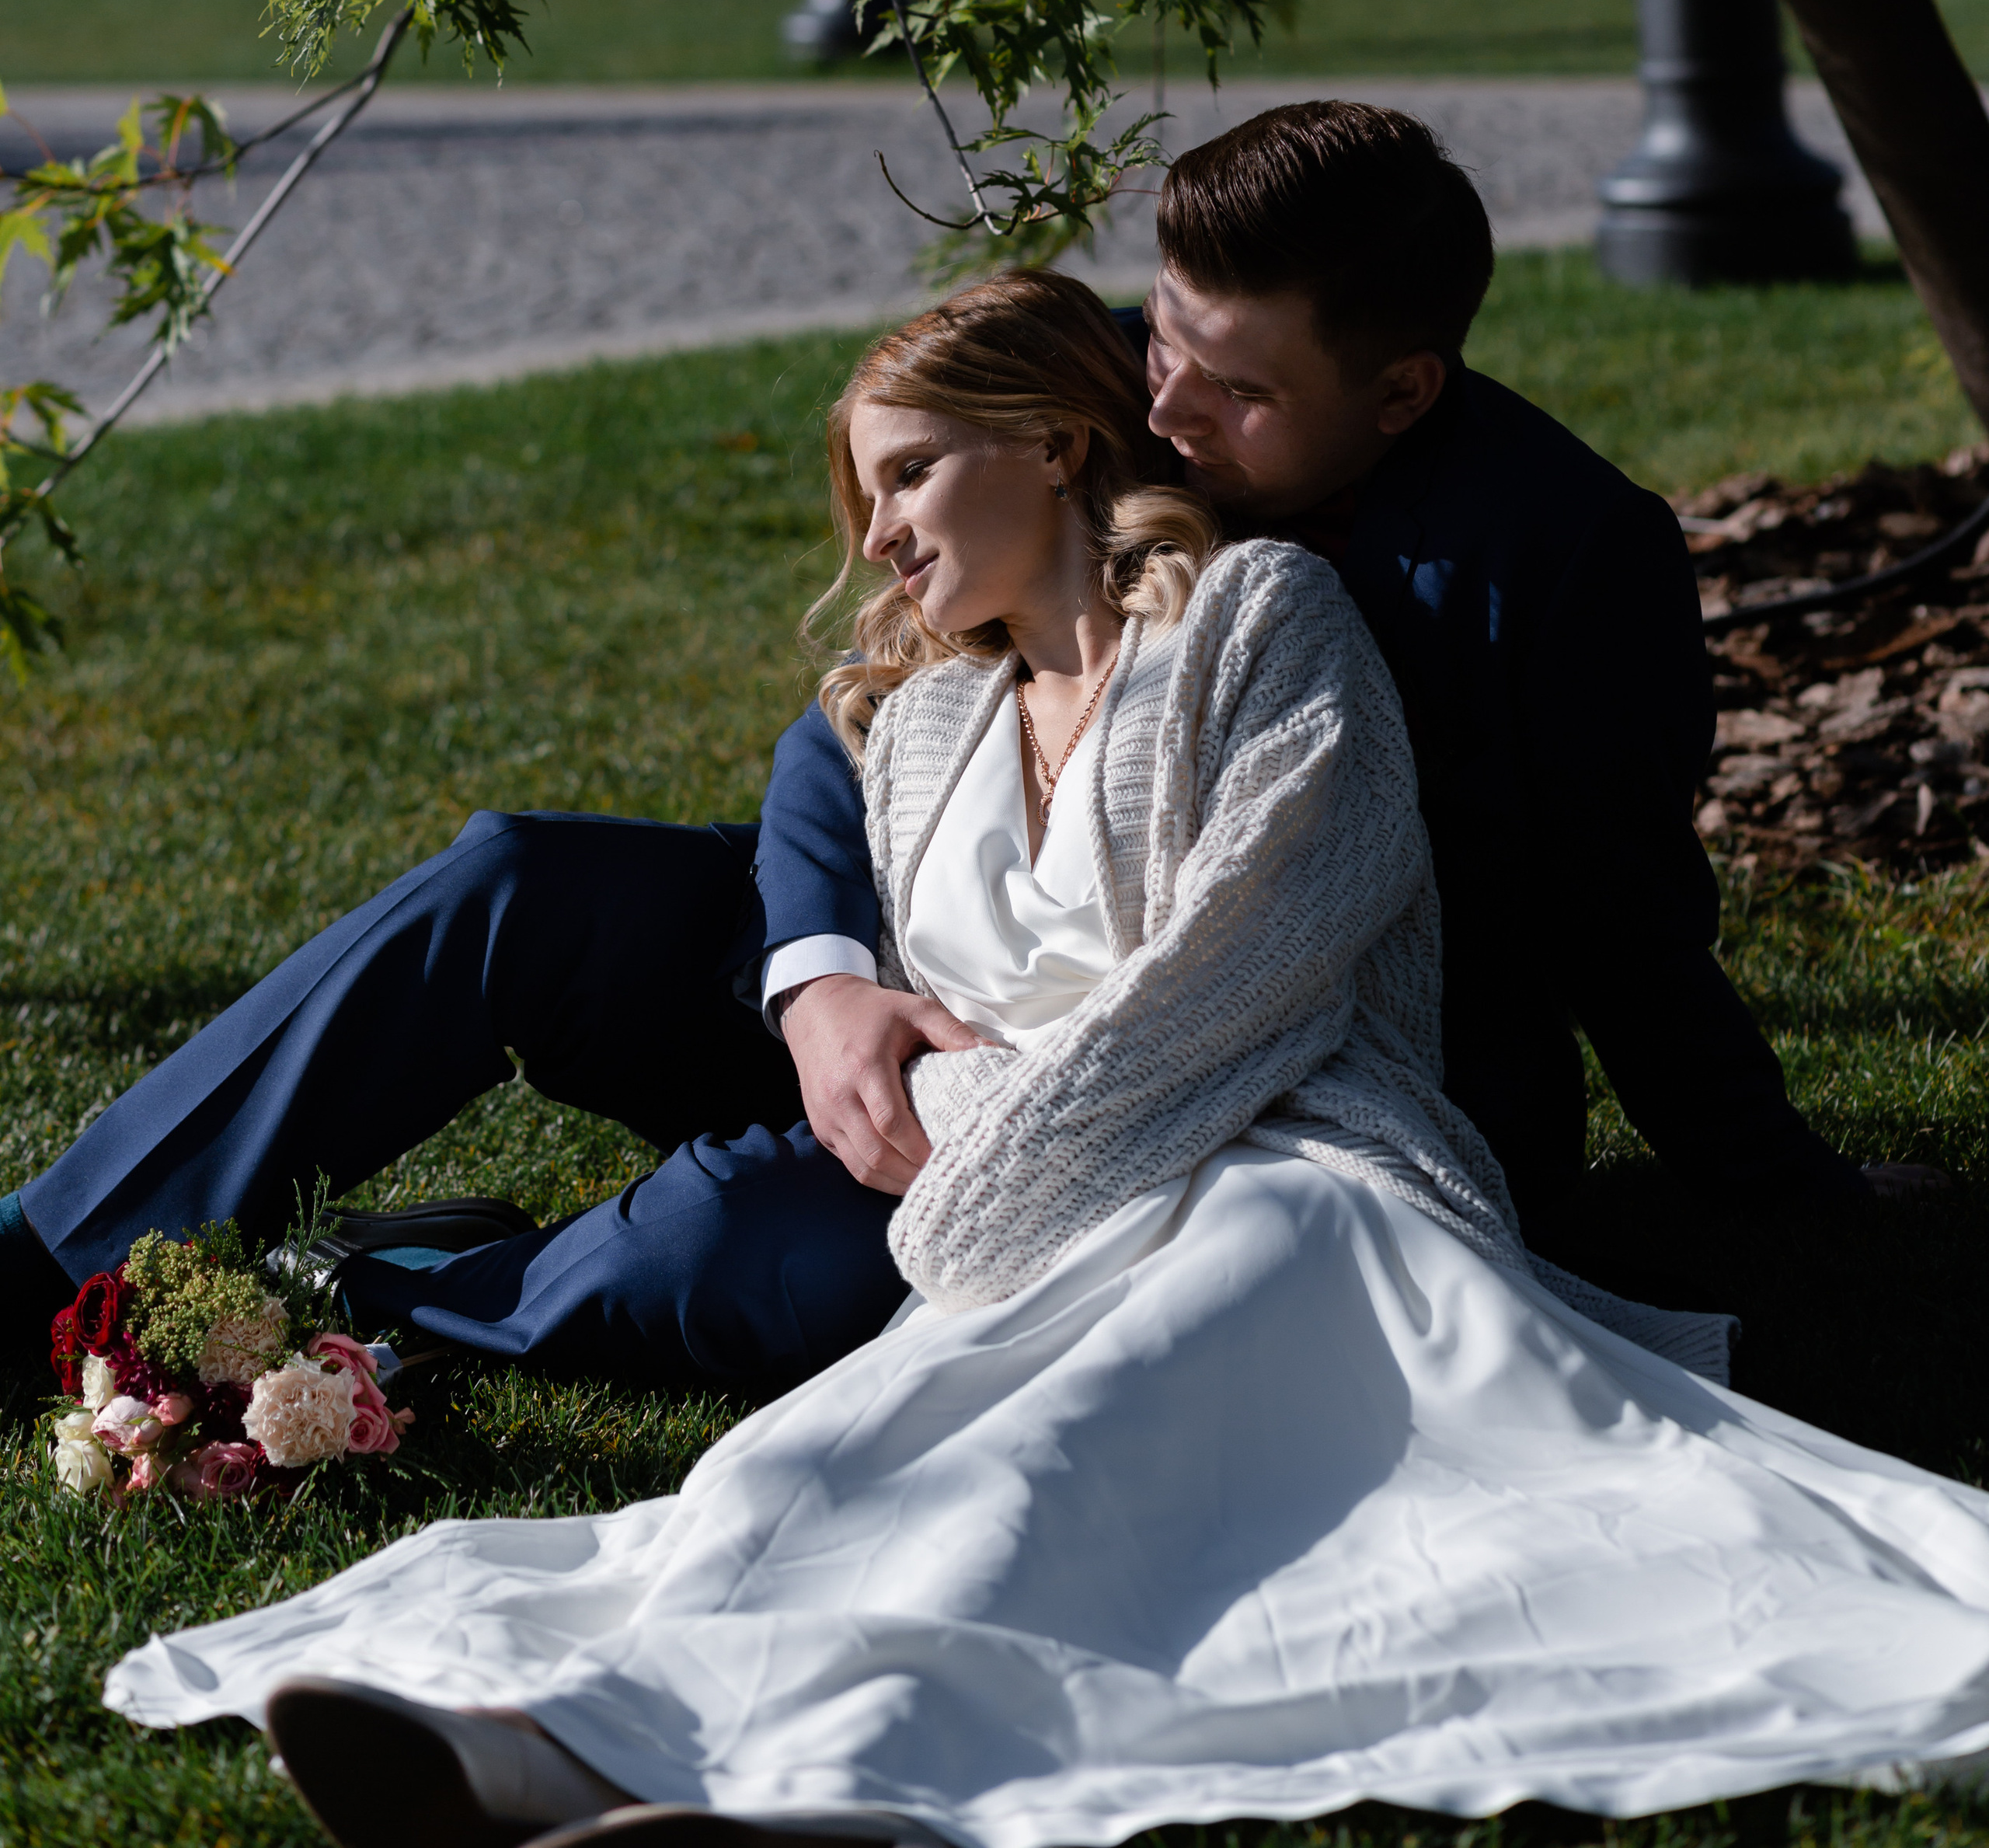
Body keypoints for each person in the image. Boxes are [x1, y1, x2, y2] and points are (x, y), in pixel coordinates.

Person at [106, 272, 1989, 1848]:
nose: (887, 536)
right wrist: (846, 1015)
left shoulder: (1262, 622)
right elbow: (822, 825)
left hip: (1270, 1160)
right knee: (818, 1483)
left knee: (1036, 1459)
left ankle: (729, 1769)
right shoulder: (924, 723)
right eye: (870, 503)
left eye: (914, 474)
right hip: (1011, 1192)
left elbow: (1250, 963)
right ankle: (567, 1730)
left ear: (1061, 443)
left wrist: (974, 1171)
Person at [0, 103, 1875, 1395]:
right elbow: (856, 724)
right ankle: (33, 1270)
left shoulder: (1552, 555)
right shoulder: (1133, 417)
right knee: (522, 884)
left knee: (753, 1241)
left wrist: (1776, 1188)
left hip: (1231, 1099)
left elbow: (1625, 914)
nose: (1166, 401)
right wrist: (819, 981)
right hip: (934, 975)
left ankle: (383, 1305)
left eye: (1231, 383)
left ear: (1395, 391)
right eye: (1163, 335)